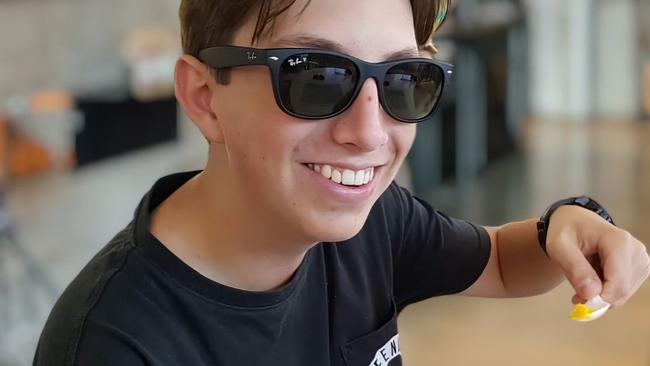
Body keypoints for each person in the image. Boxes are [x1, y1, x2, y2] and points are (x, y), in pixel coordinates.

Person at [33, 0, 650, 365]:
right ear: (204, 97)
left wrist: (567, 225)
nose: (370, 132)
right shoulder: (117, 344)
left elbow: (499, 263)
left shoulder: (374, 223)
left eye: (405, 80)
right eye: (317, 78)